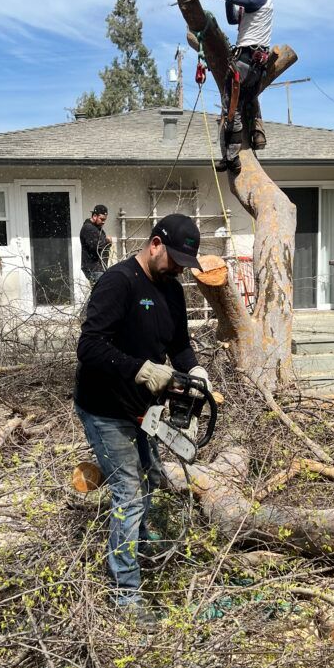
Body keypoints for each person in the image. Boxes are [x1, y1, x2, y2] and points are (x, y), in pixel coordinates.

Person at [74, 213, 211, 623]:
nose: (177, 270)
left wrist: (195, 373)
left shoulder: (172, 291)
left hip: (143, 408)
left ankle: (136, 541)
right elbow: (90, 347)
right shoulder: (118, 282)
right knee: (129, 494)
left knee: (151, 478)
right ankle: (125, 594)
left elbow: (180, 345)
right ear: (155, 244)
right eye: (173, 260)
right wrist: (142, 369)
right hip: (105, 407)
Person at [206, 0, 275, 174]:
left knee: (231, 108)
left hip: (246, 62)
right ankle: (246, 143)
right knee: (238, 106)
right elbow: (232, 17)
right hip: (255, 65)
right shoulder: (253, 5)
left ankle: (232, 157)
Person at [79, 204, 113, 286]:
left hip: (98, 268)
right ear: (94, 216)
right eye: (101, 219)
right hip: (94, 268)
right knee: (101, 293)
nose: (103, 222)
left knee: (99, 293)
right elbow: (96, 246)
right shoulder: (89, 228)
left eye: (105, 219)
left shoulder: (96, 229)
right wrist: (107, 241)